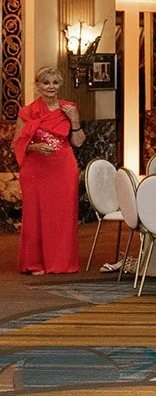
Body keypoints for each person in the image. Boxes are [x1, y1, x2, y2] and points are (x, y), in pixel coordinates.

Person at [14, 67, 84, 275]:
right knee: (35, 215)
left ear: (59, 85)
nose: (50, 87)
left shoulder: (69, 108)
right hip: (36, 169)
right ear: (37, 86)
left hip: (63, 167)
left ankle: (61, 262)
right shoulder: (27, 112)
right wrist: (35, 147)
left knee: (62, 216)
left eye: (54, 83)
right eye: (46, 83)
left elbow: (78, 142)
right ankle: (35, 263)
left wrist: (75, 121)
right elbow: (17, 143)